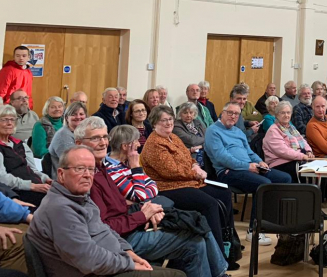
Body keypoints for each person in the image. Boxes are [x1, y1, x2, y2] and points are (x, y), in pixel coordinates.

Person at [76, 116, 229, 277]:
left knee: (195, 221)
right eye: (95, 138)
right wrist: (142, 214)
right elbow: (107, 226)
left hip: (131, 223)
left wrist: (144, 210)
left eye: (104, 137)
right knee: (195, 232)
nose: (102, 142)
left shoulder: (102, 168)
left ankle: (219, 271)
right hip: (120, 239)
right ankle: (220, 272)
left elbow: (150, 187)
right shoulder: (89, 178)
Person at [27, 146, 185, 277]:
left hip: (112, 263)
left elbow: (104, 229)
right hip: (97, 272)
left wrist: (128, 252)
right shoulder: (60, 209)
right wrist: (128, 263)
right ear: (61, 174)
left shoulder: (79, 197)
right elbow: (88, 260)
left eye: (91, 170)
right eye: (80, 169)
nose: (87, 175)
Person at [139, 106, 235, 262]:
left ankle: (229, 242)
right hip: (168, 187)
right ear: (155, 122)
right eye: (164, 120)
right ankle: (218, 256)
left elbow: (188, 157)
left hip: (188, 181)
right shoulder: (154, 143)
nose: (168, 123)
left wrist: (195, 165)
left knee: (224, 194)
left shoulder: (173, 137)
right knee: (209, 204)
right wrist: (195, 172)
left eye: (170, 119)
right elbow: (170, 171)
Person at [205, 101, 291, 246]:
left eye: (237, 114)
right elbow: (222, 157)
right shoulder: (213, 131)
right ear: (223, 112)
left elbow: (249, 152)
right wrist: (247, 166)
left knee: (284, 178)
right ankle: (255, 230)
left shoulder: (238, 132)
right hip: (228, 172)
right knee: (264, 184)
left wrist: (260, 162)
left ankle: (273, 221)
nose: (233, 116)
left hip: (249, 167)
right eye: (230, 113)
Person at [0, 105, 51, 207]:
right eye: (4, 120)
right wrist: (32, 186)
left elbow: (32, 169)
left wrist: (45, 178)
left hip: (34, 187)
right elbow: (0, 178)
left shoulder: (21, 144)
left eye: (12, 120)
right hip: (13, 193)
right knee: (54, 205)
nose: (9, 123)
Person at [106, 125, 162, 205]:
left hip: (145, 205)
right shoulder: (110, 169)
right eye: (136, 141)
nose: (139, 144)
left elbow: (153, 185)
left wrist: (139, 198)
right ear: (125, 146)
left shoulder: (128, 161)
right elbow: (139, 196)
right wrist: (135, 168)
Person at [263, 102, 315, 182]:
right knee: (307, 170)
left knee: (318, 170)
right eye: (283, 113)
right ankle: (305, 193)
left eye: (288, 112)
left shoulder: (291, 128)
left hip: (295, 159)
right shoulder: (273, 131)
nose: (286, 115)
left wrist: (308, 151)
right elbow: (283, 151)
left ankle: (318, 194)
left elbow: (303, 141)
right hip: (279, 163)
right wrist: (302, 156)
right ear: (276, 115)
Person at [48, 102, 87, 178]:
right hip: (67, 178)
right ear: (66, 118)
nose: (78, 117)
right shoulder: (63, 135)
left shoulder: (83, 133)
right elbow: (73, 163)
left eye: (81, 114)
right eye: (74, 114)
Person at [172, 102, 207, 167]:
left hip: (205, 150)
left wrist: (201, 146)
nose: (188, 115)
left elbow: (209, 137)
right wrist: (205, 141)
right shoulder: (176, 126)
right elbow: (192, 141)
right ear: (180, 114)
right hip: (191, 155)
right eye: (185, 113)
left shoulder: (198, 122)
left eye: (191, 112)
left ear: (194, 114)